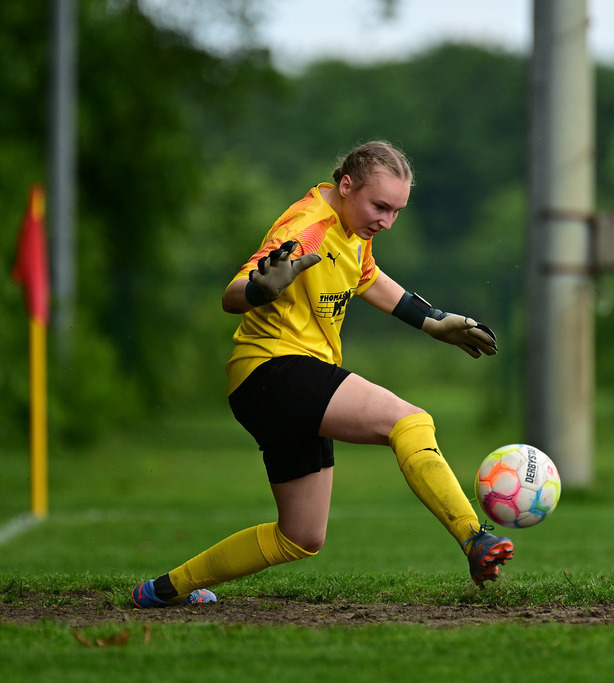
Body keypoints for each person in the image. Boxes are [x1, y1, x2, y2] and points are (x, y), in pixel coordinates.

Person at [132, 140, 512, 608]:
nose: (387, 221)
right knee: (410, 422)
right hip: (274, 370)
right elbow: (233, 294)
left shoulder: (354, 228)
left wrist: (432, 321)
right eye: (380, 207)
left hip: (272, 386)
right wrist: (259, 290)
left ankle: (164, 590)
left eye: (396, 211)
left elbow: (368, 276)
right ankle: (474, 538)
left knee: (300, 536)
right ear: (346, 185)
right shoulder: (307, 228)